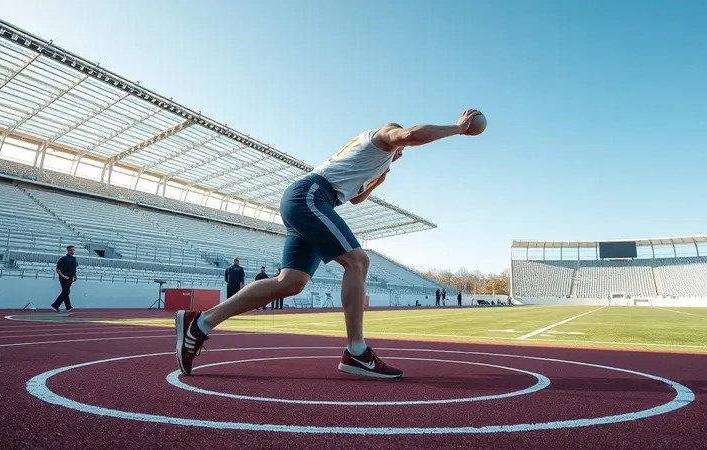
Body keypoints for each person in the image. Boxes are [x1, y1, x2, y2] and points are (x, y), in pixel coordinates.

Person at [175, 109, 483, 379]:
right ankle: (357, 352)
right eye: (397, 143)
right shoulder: (384, 134)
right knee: (359, 261)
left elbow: (357, 199)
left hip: (312, 199)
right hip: (311, 195)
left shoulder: (379, 160)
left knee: (291, 282)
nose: (399, 146)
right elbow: (410, 134)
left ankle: (200, 322)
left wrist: (386, 170)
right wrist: (458, 128)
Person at [51, 245, 78, 312]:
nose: (72, 251)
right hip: (63, 278)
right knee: (67, 291)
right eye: (71, 249)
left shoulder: (74, 259)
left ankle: (68, 307)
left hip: (70, 278)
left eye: (73, 249)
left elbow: (74, 269)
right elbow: (58, 269)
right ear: (68, 250)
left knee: (65, 292)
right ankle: (56, 305)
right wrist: (63, 276)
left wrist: (75, 276)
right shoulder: (63, 259)